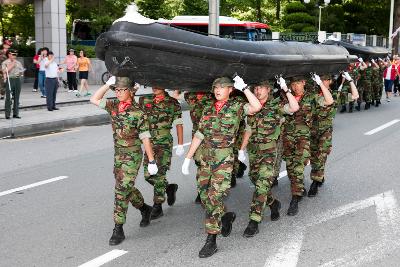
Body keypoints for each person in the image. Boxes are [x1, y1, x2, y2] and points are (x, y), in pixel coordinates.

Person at [181, 76, 262, 258]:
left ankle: (211, 240)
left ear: (230, 90)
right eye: (216, 87)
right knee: (204, 196)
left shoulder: (236, 106)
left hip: (224, 160)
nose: (218, 90)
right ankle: (225, 216)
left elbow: (256, 107)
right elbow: (200, 133)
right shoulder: (208, 107)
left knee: (214, 197)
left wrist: (246, 88)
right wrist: (188, 157)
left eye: (222, 87)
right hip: (205, 158)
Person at [90, 76, 158, 246]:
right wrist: (107, 84)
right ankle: (144, 208)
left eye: (122, 90)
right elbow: (94, 99)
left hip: (133, 155)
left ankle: (118, 228)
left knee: (121, 189)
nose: (119, 93)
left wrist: (151, 160)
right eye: (117, 90)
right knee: (125, 186)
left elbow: (145, 138)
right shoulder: (113, 106)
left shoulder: (138, 112)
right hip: (118, 154)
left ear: (131, 91)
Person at [238, 78, 299, 237]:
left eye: (261, 88)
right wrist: (241, 150)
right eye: (256, 87)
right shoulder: (252, 106)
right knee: (253, 177)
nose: (257, 91)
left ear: (268, 90)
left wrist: (286, 89)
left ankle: (254, 220)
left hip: (270, 152)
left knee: (262, 184)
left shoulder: (276, 105)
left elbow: (294, 107)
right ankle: (273, 203)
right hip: (254, 151)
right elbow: (249, 129)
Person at [282, 74, 333, 216]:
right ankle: (298, 187)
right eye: (292, 84)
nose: (295, 86)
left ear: (304, 82)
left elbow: (329, 101)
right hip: (288, 137)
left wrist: (321, 84)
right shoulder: (285, 97)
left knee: (298, 166)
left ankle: (295, 198)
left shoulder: (311, 97)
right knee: (291, 168)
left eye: (297, 83)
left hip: (303, 138)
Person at [308, 72, 358, 197]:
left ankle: (315, 182)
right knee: (314, 157)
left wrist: (350, 80)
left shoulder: (335, 95)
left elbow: (355, 95)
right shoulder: (312, 95)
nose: (322, 82)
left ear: (329, 81)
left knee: (321, 155)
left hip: (325, 131)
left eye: (325, 80)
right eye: (320, 80)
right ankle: (320, 176)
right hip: (311, 131)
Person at [138, 86, 184, 220]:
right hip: (148, 142)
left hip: (164, 143)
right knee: (148, 175)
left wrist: (180, 144)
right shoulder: (144, 99)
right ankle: (169, 187)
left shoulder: (172, 103)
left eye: (158, 84)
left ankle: (157, 206)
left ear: (164, 86)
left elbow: (179, 124)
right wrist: (133, 89)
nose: (154, 87)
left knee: (159, 175)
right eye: (152, 84)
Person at [173, 90, 213, 203]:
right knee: (199, 161)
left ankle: (206, 189)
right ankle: (203, 189)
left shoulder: (212, 94)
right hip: (197, 134)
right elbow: (176, 95)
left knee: (211, 162)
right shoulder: (190, 95)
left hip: (213, 133)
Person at [2, 49, 24, 119]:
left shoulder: (18, 62)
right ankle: (7, 114)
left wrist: (21, 73)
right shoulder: (5, 62)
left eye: (15, 54)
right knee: (8, 97)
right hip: (10, 79)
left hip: (17, 79)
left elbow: (21, 71)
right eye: (13, 54)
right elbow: (5, 71)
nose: (15, 56)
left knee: (17, 97)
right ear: (9, 54)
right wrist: (12, 65)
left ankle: (16, 113)